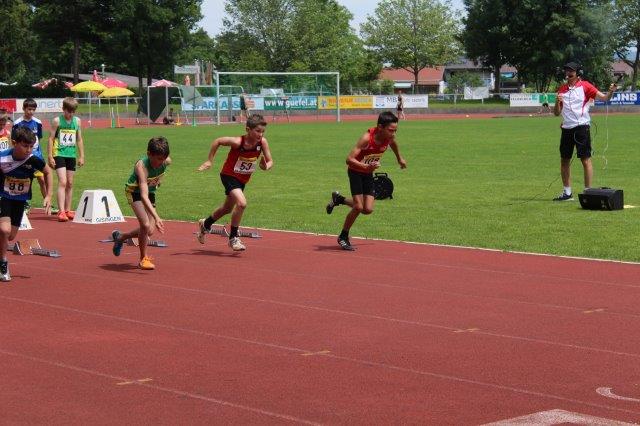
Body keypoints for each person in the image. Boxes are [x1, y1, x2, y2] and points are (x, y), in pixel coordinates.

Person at [325, 111, 407, 250]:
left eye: (395, 130)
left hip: (368, 173)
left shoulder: (389, 137)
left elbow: (393, 143)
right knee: (358, 207)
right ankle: (343, 236)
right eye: (391, 130)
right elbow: (349, 160)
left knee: (367, 209)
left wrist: (400, 158)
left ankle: (339, 199)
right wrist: (366, 166)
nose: (393, 133)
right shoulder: (366, 139)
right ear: (380, 127)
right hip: (355, 172)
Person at [195, 113, 273, 251]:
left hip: (242, 179)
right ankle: (233, 238)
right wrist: (209, 160)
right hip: (229, 175)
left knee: (227, 209)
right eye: (257, 131)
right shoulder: (238, 142)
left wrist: (265, 166)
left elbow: (270, 161)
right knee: (242, 204)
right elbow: (218, 141)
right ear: (248, 129)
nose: (260, 134)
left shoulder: (262, 142)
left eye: (263, 131)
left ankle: (205, 224)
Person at [552, 62, 617, 201]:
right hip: (566, 129)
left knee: (585, 159)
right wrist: (557, 102)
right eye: (567, 71)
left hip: (582, 127)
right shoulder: (562, 89)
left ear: (578, 73)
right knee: (564, 160)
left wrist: (611, 91)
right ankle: (567, 193)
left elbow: (604, 98)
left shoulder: (586, 86)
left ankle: (588, 192)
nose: (568, 73)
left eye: (571, 71)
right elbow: (556, 113)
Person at [0, 127, 53, 281]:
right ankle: (3, 263)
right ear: (14, 143)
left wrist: (49, 195)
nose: (28, 150)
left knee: (10, 236)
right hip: (3, 197)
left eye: (31, 146)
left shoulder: (34, 159)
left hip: (20, 200)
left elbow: (48, 172)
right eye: (25, 146)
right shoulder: (2, 158)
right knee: (4, 230)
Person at [111, 137, 171, 270]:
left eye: (163, 159)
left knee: (149, 231)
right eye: (158, 159)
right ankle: (143, 259)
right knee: (145, 224)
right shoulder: (141, 167)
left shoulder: (166, 161)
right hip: (135, 192)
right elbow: (143, 196)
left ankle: (121, 237)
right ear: (149, 154)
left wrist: (159, 180)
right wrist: (157, 217)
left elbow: (162, 170)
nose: (160, 162)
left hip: (150, 192)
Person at [48, 97, 84, 221]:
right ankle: (61, 211)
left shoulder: (77, 121)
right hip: (59, 153)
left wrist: (82, 156)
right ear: (63, 109)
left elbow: (79, 139)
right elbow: (51, 139)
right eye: (69, 111)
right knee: (62, 182)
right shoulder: (57, 121)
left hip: (71, 155)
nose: (71, 114)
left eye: (73, 111)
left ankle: (68, 210)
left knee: (70, 183)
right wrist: (50, 156)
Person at [11, 98, 47, 207]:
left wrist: (38, 153)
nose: (31, 111)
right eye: (29, 109)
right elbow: (13, 140)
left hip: (36, 156)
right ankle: (24, 203)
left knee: (42, 179)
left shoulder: (38, 122)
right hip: (23, 157)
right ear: (24, 109)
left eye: (33, 109)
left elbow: (39, 139)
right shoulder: (17, 123)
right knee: (24, 179)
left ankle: (47, 202)